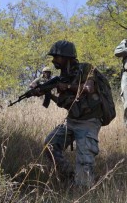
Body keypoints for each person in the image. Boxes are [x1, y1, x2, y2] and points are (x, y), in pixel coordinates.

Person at [31, 40, 103, 188]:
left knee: (84, 164)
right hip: (71, 121)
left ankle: (84, 188)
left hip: (88, 122)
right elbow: (63, 102)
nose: (53, 60)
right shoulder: (61, 77)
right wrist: (45, 93)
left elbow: (88, 88)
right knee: (49, 146)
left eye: (57, 57)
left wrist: (67, 86)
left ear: (67, 57)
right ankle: (69, 178)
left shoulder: (86, 68)